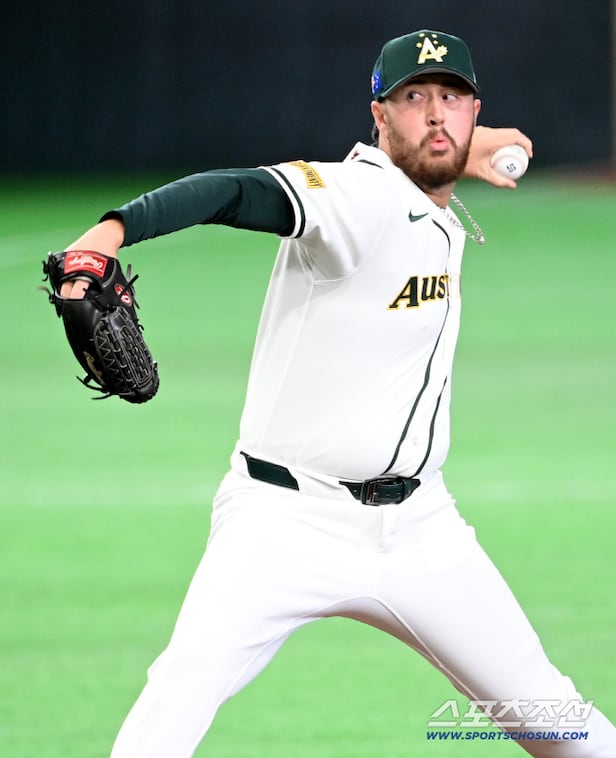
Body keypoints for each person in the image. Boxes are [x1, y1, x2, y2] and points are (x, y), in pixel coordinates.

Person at [60, 29, 615, 758]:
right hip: (285, 521)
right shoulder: (355, 196)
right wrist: (111, 232)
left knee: (562, 724)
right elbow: (238, 190)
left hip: (421, 528)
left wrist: (460, 150)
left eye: (452, 98)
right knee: (177, 698)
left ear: (475, 110)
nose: (436, 113)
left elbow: (435, 159)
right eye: (414, 99)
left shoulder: (427, 190)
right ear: (379, 116)